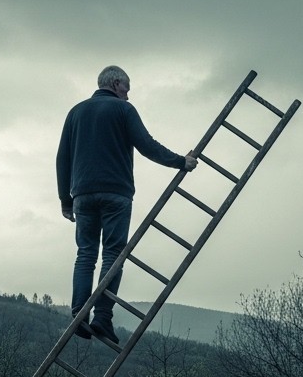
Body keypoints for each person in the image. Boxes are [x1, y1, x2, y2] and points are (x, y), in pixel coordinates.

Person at [56, 65, 198, 343]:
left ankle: (79, 316)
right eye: (127, 89)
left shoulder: (76, 112)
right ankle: (103, 318)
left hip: (82, 194)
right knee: (113, 255)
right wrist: (182, 162)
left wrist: (65, 200)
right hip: (116, 193)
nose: (128, 96)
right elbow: (147, 145)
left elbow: (63, 157)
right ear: (117, 83)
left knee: (85, 254)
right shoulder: (123, 111)